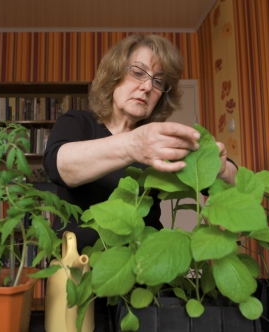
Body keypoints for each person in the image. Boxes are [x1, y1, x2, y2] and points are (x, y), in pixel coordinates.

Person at [43, 33, 237, 253]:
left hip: (145, 271)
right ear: (113, 74)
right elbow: (59, 166)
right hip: (77, 269)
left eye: (157, 81)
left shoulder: (159, 141)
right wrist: (133, 145)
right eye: (137, 72)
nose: (147, 87)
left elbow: (231, 182)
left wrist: (222, 170)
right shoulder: (78, 122)